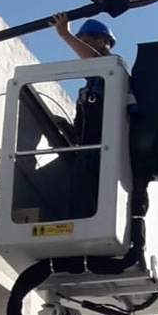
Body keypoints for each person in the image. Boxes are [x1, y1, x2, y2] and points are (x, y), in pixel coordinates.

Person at [49, 12, 118, 219]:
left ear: (102, 42)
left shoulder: (113, 69)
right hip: (88, 154)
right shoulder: (87, 93)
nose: (80, 49)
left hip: (103, 153)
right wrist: (63, 127)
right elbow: (81, 133)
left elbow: (93, 62)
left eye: (86, 42)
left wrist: (64, 33)